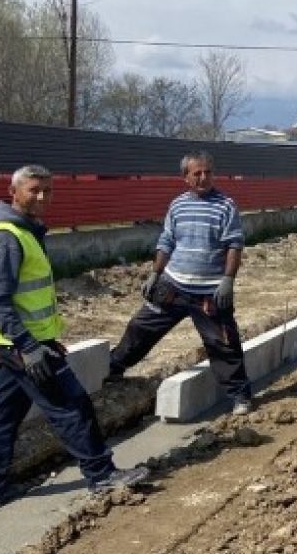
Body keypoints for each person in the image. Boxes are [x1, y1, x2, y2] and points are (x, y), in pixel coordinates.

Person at [0, 165, 149, 504]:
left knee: (4, 415)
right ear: (14, 192)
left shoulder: (25, 231)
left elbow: (29, 297)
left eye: (48, 190)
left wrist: (45, 339)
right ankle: (102, 475)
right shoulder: (7, 238)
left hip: (15, 343)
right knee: (72, 405)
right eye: (34, 190)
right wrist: (29, 347)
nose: (42, 196)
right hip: (21, 345)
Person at [107, 151, 254, 415]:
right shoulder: (177, 206)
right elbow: (167, 241)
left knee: (223, 343)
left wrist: (228, 280)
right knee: (141, 328)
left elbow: (234, 244)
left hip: (210, 291)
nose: (203, 177)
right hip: (173, 286)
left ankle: (240, 395)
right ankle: (113, 367)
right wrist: (155, 273)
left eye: (208, 172)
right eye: (196, 173)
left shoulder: (225, 206)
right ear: (185, 177)